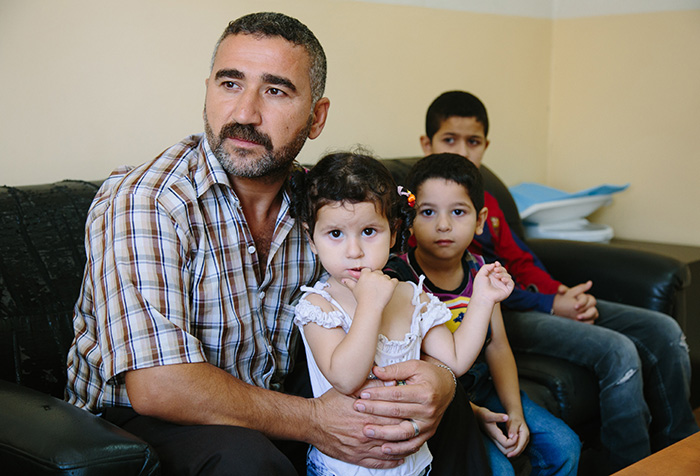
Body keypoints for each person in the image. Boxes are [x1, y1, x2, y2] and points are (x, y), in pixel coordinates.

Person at [63, 13, 489, 476]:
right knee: (246, 460)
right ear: (207, 89)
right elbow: (159, 387)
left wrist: (441, 381)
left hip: (277, 402)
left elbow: (394, 292)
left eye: (275, 90)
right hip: (139, 420)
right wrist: (315, 421)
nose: (245, 113)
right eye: (230, 84)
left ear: (316, 116)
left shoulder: (324, 206)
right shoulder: (148, 201)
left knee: (443, 414)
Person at [418, 90, 699, 471]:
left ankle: (678, 453)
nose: (464, 152)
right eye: (450, 140)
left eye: (473, 142)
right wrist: (550, 304)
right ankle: (630, 465)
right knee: (617, 351)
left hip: (518, 301)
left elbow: (520, 258)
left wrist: (559, 292)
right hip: (504, 308)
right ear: (427, 143)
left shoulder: (487, 202)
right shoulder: (420, 219)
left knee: (663, 329)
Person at [290, 151, 514, 475]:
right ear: (311, 238)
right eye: (335, 234)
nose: (354, 251)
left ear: (393, 233)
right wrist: (370, 305)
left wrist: (482, 298)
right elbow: (345, 377)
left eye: (369, 231)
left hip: (412, 465)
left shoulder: (411, 294)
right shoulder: (319, 306)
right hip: (344, 469)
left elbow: (455, 360)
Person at [384, 153, 581, 476]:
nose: (443, 225)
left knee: (566, 446)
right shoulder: (402, 278)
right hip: (444, 402)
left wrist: (514, 410)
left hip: (484, 387)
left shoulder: (480, 271)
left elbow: (497, 346)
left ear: (480, 220)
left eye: (458, 212)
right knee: (499, 470)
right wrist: (474, 413)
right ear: (410, 218)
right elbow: (414, 367)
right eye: (428, 212)